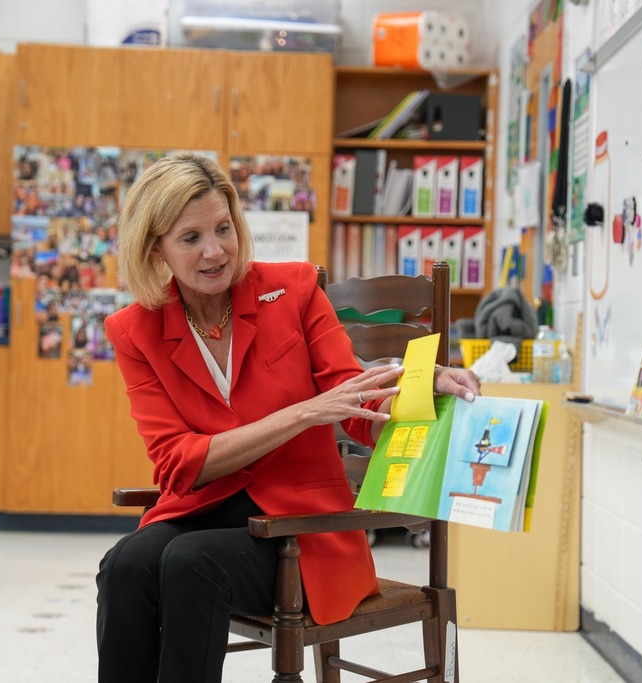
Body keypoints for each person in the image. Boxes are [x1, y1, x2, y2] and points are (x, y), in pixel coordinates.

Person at [95, 153, 480, 682]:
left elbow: (357, 402)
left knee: (189, 563)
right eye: (191, 238)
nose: (215, 251)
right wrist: (300, 414)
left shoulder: (293, 290)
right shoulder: (134, 330)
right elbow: (178, 464)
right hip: (204, 508)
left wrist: (421, 383)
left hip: (304, 528)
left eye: (223, 228)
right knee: (124, 566)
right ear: (154, 247)